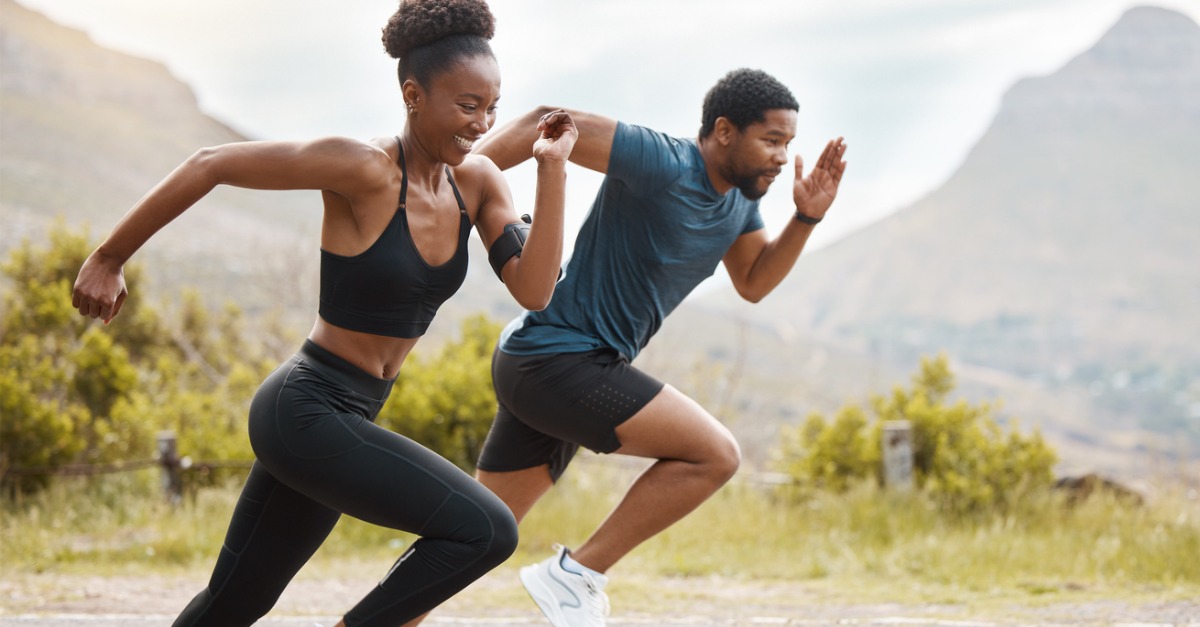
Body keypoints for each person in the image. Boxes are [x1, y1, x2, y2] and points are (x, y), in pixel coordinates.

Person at [70, 0, 578, 625]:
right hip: (305, 406)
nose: (482, 122)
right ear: (413, 95)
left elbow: (534, 289)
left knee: (233, 604)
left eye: (492, 106)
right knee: (487, 531)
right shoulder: (360, 168)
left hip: (351, 411)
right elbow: (211, 165)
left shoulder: (475, 183)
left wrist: (552, 169)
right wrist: (110, 256)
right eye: (467, 105)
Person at [470, 68, 848, 626]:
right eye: (771, 140)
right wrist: (448, 186)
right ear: (723, 131)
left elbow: (753, 281)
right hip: (560, 360)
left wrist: (806, 216)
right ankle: (574, 574)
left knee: (473, 538)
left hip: (552, 366)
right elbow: (541, 123)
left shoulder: (740, 204)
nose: (780, 157)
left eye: (788, 144)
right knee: (714, 454)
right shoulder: (662, 161)